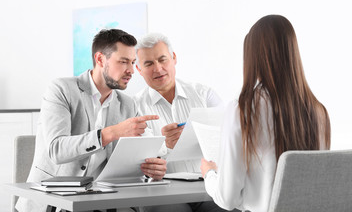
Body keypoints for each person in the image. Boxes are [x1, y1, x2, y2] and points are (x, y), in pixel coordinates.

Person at [16, 29, 166, 212]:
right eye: (123, 61)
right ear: (100, 59)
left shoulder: (128, 104)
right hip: (52, 201)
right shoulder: (61, 89)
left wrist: (151, 167)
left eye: (133, 62)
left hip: (99, 201)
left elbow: (128, 161)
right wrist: (112, 132)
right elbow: (57, 149)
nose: (130, 70)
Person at [200, 15, 331, 212]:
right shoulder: (318, 111)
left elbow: (227, 199)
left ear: (253, 57)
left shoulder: (242, 109)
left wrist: (209, 173)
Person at [134, 33, 236, 212]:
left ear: (174, 58)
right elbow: (133, 163)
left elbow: (231, 137)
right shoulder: (134, 107)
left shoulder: (204, 94)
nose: (158, 69)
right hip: (161, 193)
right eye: (148, 64)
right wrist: (164, 146)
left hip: (208, 187)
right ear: (139, 69)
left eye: (162, 59)